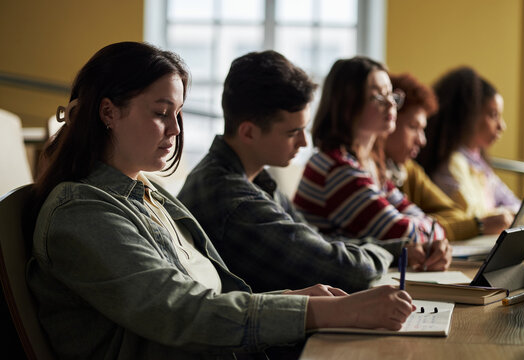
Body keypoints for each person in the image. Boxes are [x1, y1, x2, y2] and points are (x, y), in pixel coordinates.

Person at [27, 42, 415, 360]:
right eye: (162, 113)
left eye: (178, 113)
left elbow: (205, 297)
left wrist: (290, 299)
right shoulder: (81, 211)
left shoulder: (145, 192)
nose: (176, 130)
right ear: (109, 112)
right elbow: (181, 311)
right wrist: (326, 311)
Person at [179, 50, 406, 294]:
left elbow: (317, 241)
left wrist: (399, 250)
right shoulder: (235, 201)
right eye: (292, 132)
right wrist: (387, 253)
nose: (303, 142)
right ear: (248, 132)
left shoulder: (253, 179)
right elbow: (347, 272)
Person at [293, 56, 452, 271]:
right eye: (378, 96)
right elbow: (401, 233)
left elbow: (417, 217)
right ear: (348, 104)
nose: (390, 103)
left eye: (390, 94)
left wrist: (432, 232)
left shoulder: (368, 164)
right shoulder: (336, 169)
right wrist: (430, 232)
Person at [384, 73, 512, 239]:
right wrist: (477, 225)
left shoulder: (407, 169)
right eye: (413, 126)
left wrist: (423, 224)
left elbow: (452, 213)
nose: (422, 141)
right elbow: (402, 229)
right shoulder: (365, 173)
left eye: (422, 128)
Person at [416, 66, 518, 224]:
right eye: (493, 115)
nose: (502, 126)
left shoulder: (477, 162)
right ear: (469, 116)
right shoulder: (450, 164)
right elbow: (471, 216)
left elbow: (514, 204)